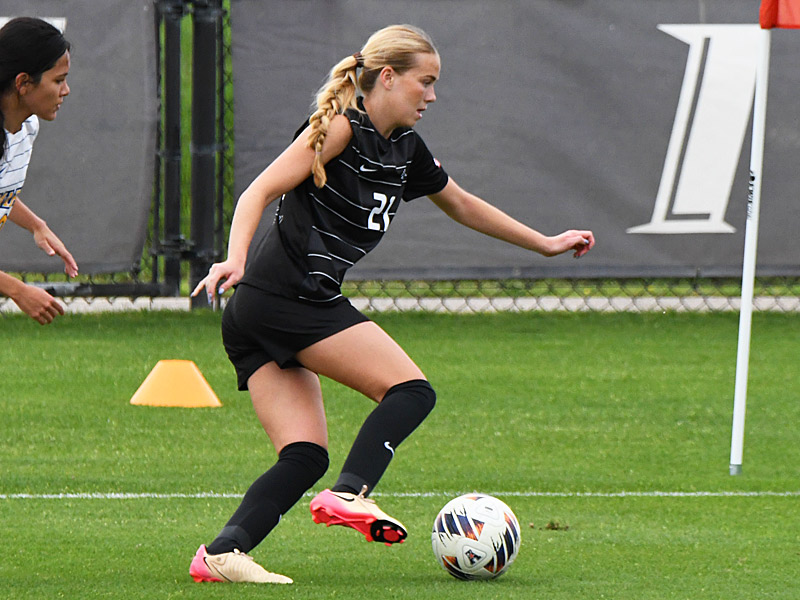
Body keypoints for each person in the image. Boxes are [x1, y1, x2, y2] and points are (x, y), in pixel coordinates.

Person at [189, 24, 595, 584]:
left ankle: (220, 554)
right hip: (287, 300)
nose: (431, 96)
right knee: (410, 391)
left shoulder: (404, 148)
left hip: (265, 312)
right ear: (387, 77)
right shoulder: (337, 129)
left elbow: (462, 204)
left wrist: (545, 243)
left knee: (304, 455)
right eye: (424, 82)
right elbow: (258, 190)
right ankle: (350, 495)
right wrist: (234, 258)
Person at [0, 17, 78, 325]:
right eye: (58, 81)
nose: (66, 91)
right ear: (23, 83)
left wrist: (36, 225)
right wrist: (18, 291)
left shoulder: (26, 126)